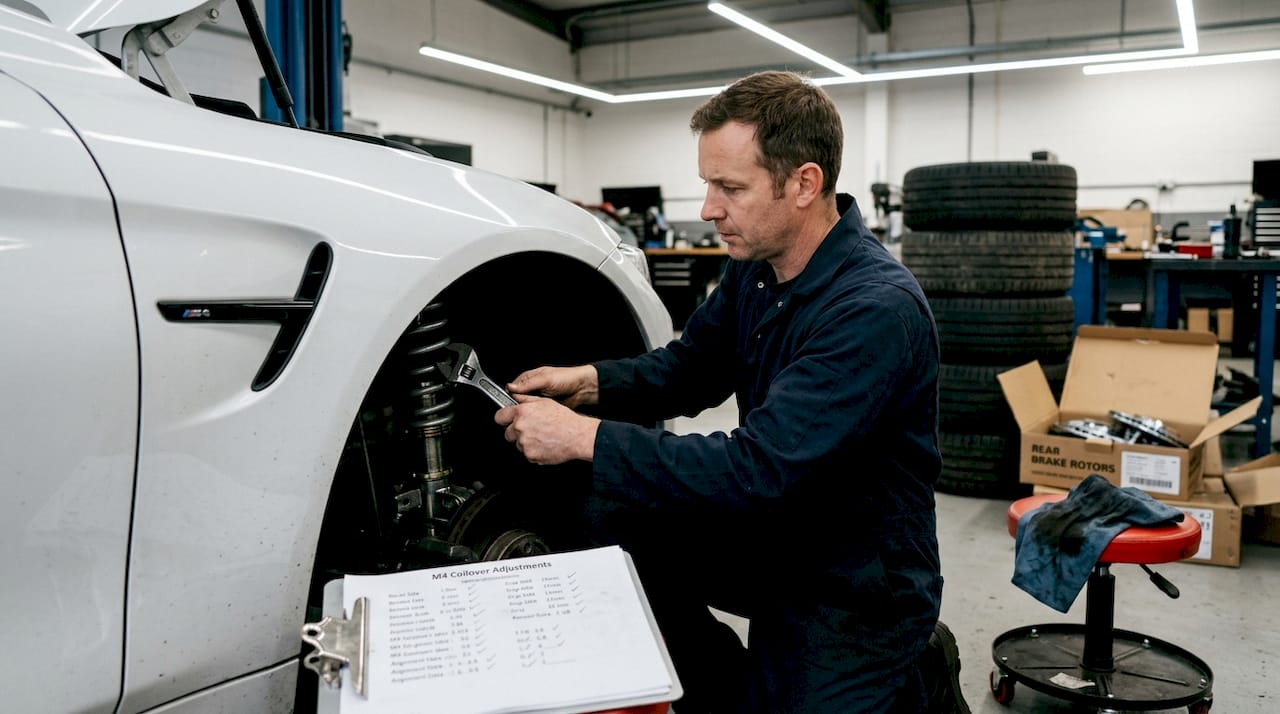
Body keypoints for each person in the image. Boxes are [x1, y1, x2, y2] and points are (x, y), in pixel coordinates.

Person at [494, 70, 967, 713]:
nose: (710, 209)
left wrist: (584, 438)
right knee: (603, 516)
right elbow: (690, 369)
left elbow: (758, 467)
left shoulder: (874, 310)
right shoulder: (757, 269)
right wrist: (592, 384)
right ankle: (723, 690)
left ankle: (914, 669)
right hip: (775, 530)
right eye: (707, 184)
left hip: (854, 580)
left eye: (730, 187)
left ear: (804, 183)